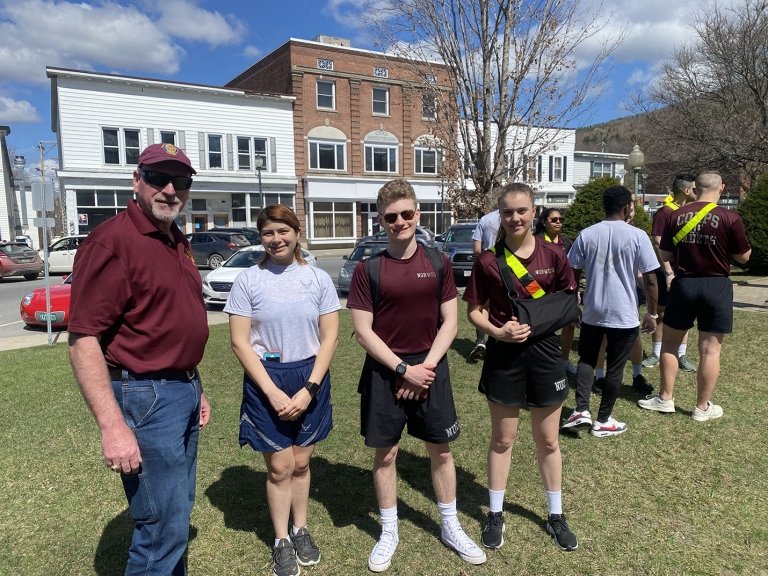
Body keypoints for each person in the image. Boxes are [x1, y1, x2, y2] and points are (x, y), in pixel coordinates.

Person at [68, 143, 210, 576]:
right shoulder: (111, 242)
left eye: (181, 181)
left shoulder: (175, 239)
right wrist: (113, 428)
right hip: (146, 397)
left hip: (181, 390)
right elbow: (83, 338)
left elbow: (168, 321)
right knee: (160, 529)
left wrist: (195, 383)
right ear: (136, 180)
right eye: (158, 178)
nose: (170, 189)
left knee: (176, 514)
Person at [348, 179, 486, 572]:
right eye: (391, 217)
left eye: (407, 214)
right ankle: (389, 530)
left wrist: (423, 369)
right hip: (386, 373)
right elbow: (363, 331)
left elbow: (450, 322)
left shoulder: (438, 261)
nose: (400, 222)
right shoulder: (368, 269)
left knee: (440, 450)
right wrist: (403, 369)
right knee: (386, 453)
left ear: (417, 215)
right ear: (381, 220)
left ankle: (450, 524)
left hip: (431, 370)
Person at [464, 182, 579, 552]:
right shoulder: (487, 262)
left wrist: (540, 324)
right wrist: (499, 330)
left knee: (548, 439)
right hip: (505, 356)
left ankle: (555, 514)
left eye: (522, 210)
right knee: (503, 439)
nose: (515, 217)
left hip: (545, 355)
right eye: (508, 211)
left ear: (534, 212)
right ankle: (495, 514)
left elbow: (568, 302)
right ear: (500, 214)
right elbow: (474, 311)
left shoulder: (555, 255)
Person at [225, 205, 340, 576]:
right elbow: (240, 343)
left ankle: (300, 527)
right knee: (279, 466)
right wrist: (272, 392)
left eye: (282, 231)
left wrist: (310, 388)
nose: (276, 240)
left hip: (309, 376)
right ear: (261, 238)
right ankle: (281, 539)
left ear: (296, 232)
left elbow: (330, 337)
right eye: (268, 233)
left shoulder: (318, 279)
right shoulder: (248, 281)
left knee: (302, 462)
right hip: (266, 379)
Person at [639, 171, 751, 421]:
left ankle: (665, 398)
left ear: (694, 189)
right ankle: (702, 408)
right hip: (717, 285)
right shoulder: (730, 217)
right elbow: (744, 257)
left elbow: (665, 254)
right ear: (722, 188)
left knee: (669, 343)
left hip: (684, 283)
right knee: (710, 350)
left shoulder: (675, 215)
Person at [564, 185, 659, 437]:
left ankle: (581, 410)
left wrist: (573, 304)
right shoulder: (638, 235)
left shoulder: (587, 234)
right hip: (624, 312)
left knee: (586, 359)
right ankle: (603, 420)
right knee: (615, 368)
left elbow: (572, 273)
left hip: (593, 310)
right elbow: (650, 278)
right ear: (627, 207)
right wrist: (652, 313)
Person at [642, 174, 699, 372]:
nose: (696, 191)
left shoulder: (694, 211)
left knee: (685, 312)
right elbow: (658, 242)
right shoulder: (664, 213)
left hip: (687, 270)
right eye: (694, 188)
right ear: (686, 191)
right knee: (662, 311)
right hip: (667, 270)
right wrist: (667, 272)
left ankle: (681, 354)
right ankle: (656, 353)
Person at [533, 207, 577, 375]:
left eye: (560, 219)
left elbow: (572, 268)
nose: (558, 222)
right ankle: (541, 361)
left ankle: (564, 360)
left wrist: (574, 291)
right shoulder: (535, 241)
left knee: (569, 324)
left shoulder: (566, 242)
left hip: (563, 292)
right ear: (544, 222)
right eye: (554, 219)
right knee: (542, 327)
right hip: (540, 293)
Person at [469, 207, 501, 360]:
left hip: (488, 265)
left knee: (483, 305)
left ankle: (481, 340)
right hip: (514, 266)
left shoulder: (486, 219)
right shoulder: (520, 217)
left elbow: (476, 248)